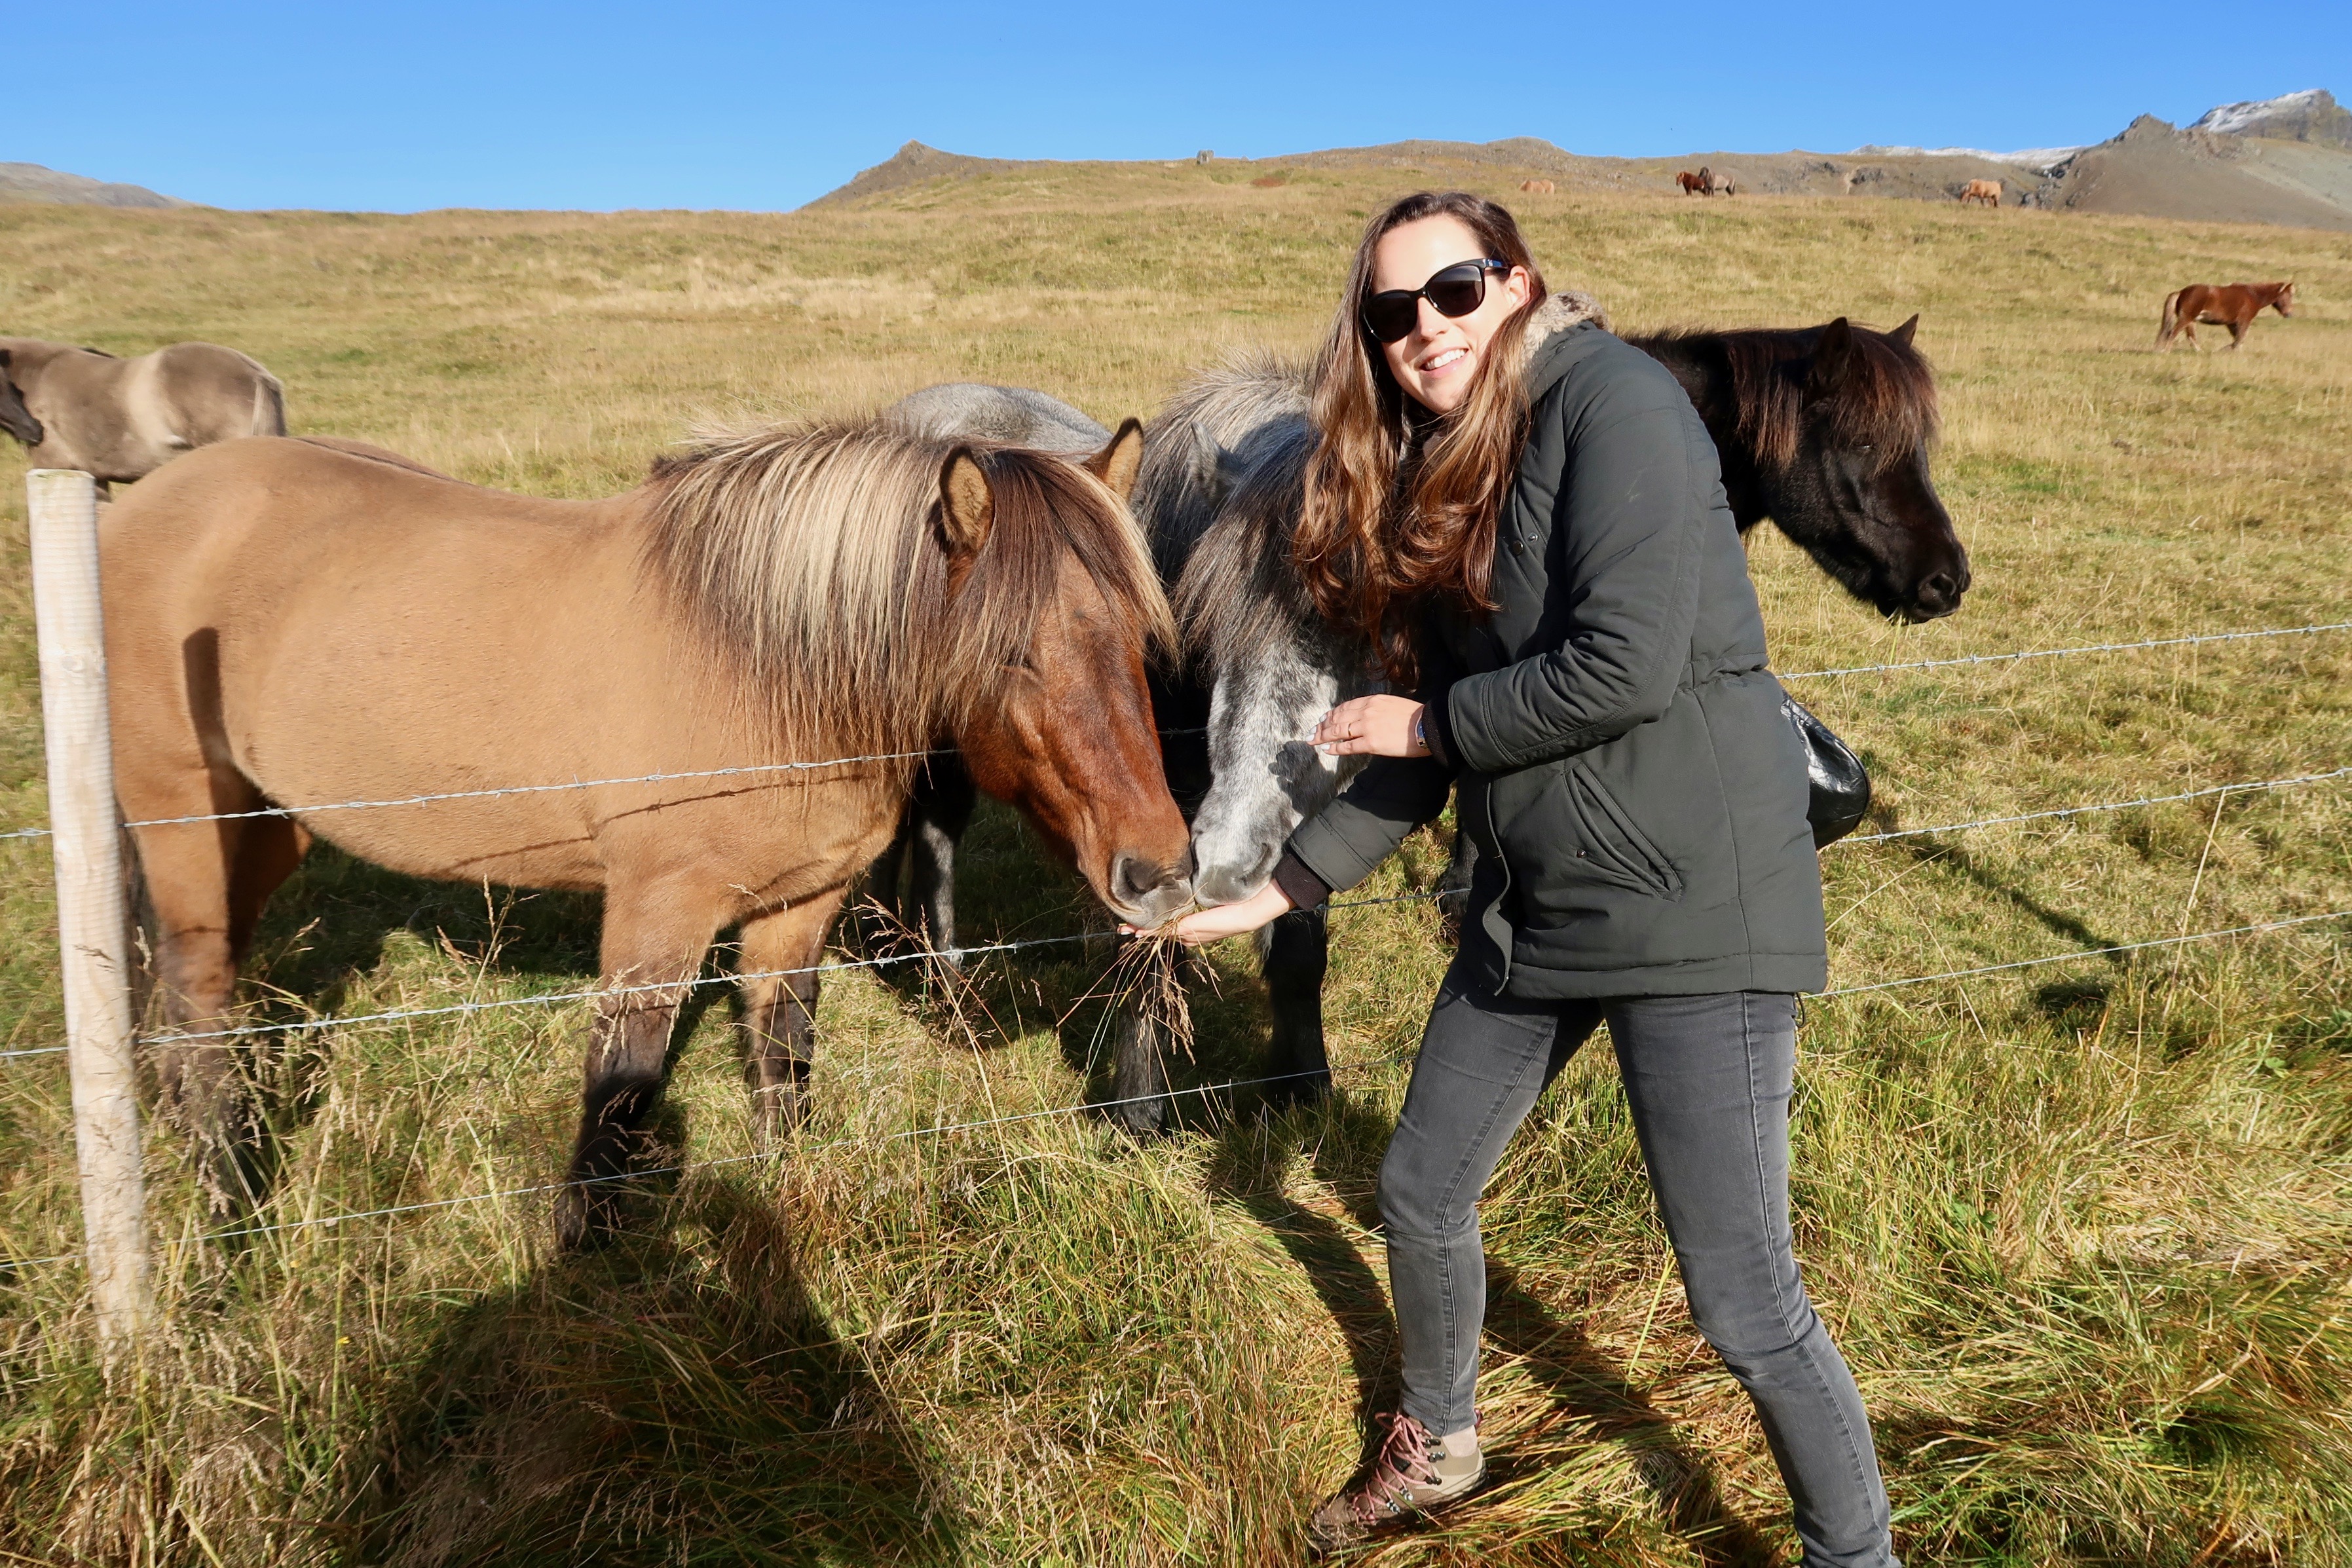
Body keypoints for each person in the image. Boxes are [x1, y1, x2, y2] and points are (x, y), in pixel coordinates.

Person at [1151, 192, 1899, 1563]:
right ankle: (1437, 1443)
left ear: (1515, 283)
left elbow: (1624, 663)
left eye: (1453, 290)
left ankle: (1851, 1551)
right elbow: (1419, 740)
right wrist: (1281, 888)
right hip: (1530, 914)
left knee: (1742, 1305)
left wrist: (1428, 724)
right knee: (1421, 1187)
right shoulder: (1440, 472)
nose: (1423, 330)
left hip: (1691, 911)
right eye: (1390, 315)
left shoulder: (1612, 406)